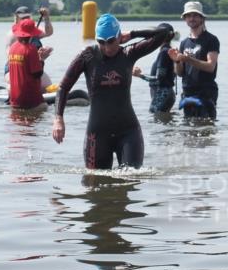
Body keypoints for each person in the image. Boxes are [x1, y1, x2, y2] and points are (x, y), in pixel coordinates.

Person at [51, 13, 173, 169]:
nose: (107, 47)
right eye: (101, 42)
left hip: (128, 132)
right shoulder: (87, 56)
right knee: (94, 186)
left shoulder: (129, 53)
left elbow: (164, 33)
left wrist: (133, 34)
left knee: (131, 180)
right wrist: (58, 119)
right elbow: (63, 87)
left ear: (119, 37)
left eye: (111, 41)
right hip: (97, 134)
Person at [168, 0, 220, 118]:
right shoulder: (184, 43)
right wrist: (176, 61)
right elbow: (180, 73)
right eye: (189, 16)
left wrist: (188, 59)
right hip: (188, 93)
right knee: (188, 132)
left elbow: (210, 66)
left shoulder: (211, 40)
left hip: (206, 92)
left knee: (206, 130)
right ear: (185, 19)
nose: (192, 18)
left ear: (202, 18)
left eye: (195, 15)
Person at [132, 22, 178, 113]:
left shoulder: (164, 53)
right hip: (168, 94)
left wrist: (140, 75)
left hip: (162, 95)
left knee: (156, 120)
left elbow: (158, 79)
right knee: (165, 124)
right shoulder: (170, 51)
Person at [6, 5, 54, 88]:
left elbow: (48, 32)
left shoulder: (34, 30)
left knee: (48, 86)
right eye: (23, 18)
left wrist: (46, 17)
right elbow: (10, 57)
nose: (26, 20)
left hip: (34, 67)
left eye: (28, 17)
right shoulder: (11, 35)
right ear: (16, 18)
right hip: (14, 68)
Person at [7, 17, 48, 110]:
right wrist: (42, 59)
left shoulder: (12, 48)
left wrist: (36, 58)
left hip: (15, 100)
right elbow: (37, 74)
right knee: (45, 109)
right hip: (31, 100)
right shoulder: (31, 49)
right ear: (32, 35)